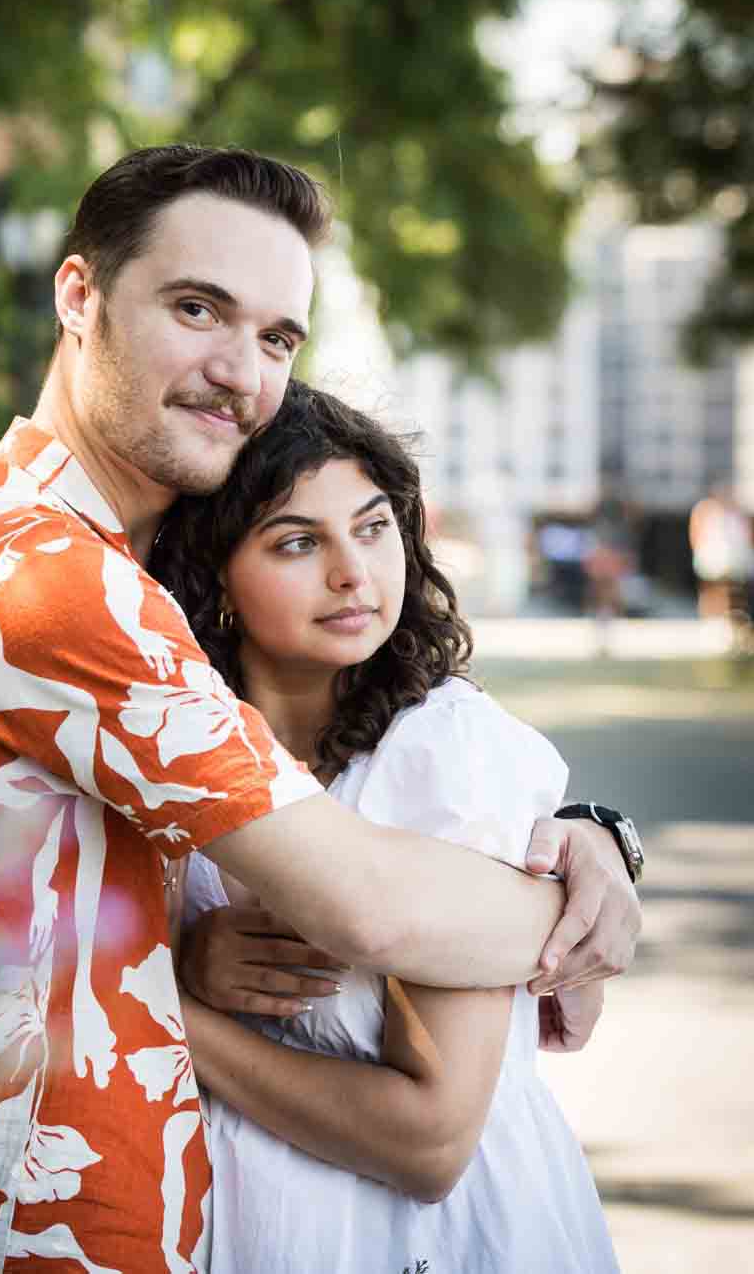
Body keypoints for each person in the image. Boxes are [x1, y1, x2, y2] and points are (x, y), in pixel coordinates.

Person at [0, 145, 641, 1273]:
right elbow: (365, 907)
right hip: (57, 1238)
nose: (240, 371)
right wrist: (578, 889)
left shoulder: (39, 552)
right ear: (77, 296)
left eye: (278, 337)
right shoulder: (52, 583)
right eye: (197, 309)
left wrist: (583, 832)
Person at [149, 381, 619, 1272]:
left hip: (436, 1238)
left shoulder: (444, 750)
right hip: (242, 1225)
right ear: (213, 582)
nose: (354, 573)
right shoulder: (178, 744)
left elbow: (429, 1141)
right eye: (297, 542)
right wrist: (188, 961)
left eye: (372, 527)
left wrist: (169, 1011)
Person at [688, 484, 754, 619]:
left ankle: (727, 612)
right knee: (712, 588)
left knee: (730, 588)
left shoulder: (737, 512)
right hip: (712, 558)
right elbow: (696, 533)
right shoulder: (705, 509)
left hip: (733, 559)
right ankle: (709, 612)